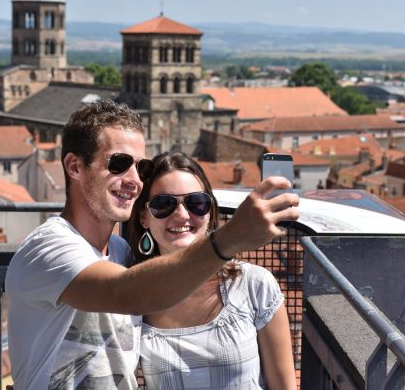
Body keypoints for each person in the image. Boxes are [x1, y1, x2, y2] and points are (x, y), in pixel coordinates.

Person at [5, 100, 299, 389]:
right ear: (75, 166)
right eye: (118, 164)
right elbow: (124, 293)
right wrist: (229, 239)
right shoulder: (48, 250)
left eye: (141, 168)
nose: (133, 180)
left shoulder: (122, 254)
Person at [127, 152, 297, 389]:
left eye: (196, 202)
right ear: (144, 216)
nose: (182, 215)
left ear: (210, 211)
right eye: (163, 204)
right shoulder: (133, 298)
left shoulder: (255, 285)